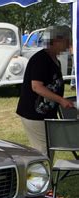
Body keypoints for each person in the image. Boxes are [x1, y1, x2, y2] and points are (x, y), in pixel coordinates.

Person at [16, 25, 75, 156]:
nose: (69, 45)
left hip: (46, 114)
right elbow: (36, 86)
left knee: (48, 149)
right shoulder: (41, 60)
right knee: (43, 151)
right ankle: (43, 176)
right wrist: (60, 100)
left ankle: (47, 175)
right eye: (67, 41)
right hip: (34, 114)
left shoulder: (55, 60)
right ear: (57, 40)